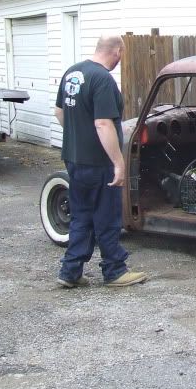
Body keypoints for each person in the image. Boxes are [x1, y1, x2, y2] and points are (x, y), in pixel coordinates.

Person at [54, 35, 147, 288]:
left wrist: (78, 137)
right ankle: (115, 271)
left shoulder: (72, 73)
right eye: (121, 53)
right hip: (99, 162)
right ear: (117, 51)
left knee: (81, 215)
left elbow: (60, 111)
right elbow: (103, 123)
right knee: (107, 216)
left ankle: (70, 272)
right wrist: (118, 162)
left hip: (74, 159)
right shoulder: (102, 79)